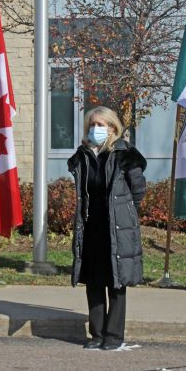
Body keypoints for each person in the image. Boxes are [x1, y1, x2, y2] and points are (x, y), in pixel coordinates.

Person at [67, 106, 147, 350]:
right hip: (92, 226)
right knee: (94, 281)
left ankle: (113, 336)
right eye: (92, 125)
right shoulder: (84, 155)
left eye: (101, 125)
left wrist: (124, 212)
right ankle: (98, 334)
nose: (96, 129)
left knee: (116, 282)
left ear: (113, 128)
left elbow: (138, 190)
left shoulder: (124, 154)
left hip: (118, 227)